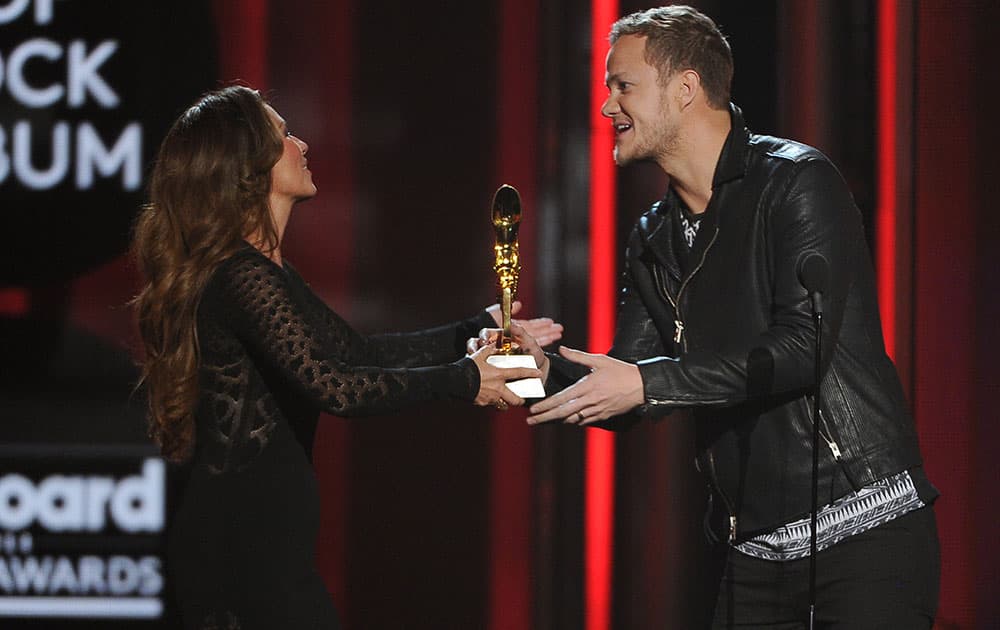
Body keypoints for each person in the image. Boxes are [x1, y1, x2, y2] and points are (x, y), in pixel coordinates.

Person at [518, 6, 939, 628]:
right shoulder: (653, 237)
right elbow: (629, 385)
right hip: (754, 554)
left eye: (623, 85)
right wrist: (530, 366)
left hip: (863, 530)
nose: (606, 106)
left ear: (685, 88)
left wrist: (647, 382)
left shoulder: (796, 182)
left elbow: (803, 347)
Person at [130, 85, 558, 629]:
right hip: (238, 557)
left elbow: (357, 353)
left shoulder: (267, 273)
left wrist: (474, 330)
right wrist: (465, 379)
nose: (302, 143)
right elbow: (336, 386)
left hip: (266, 553)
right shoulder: (240, 276)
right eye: (284, 135)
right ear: (247, 163)